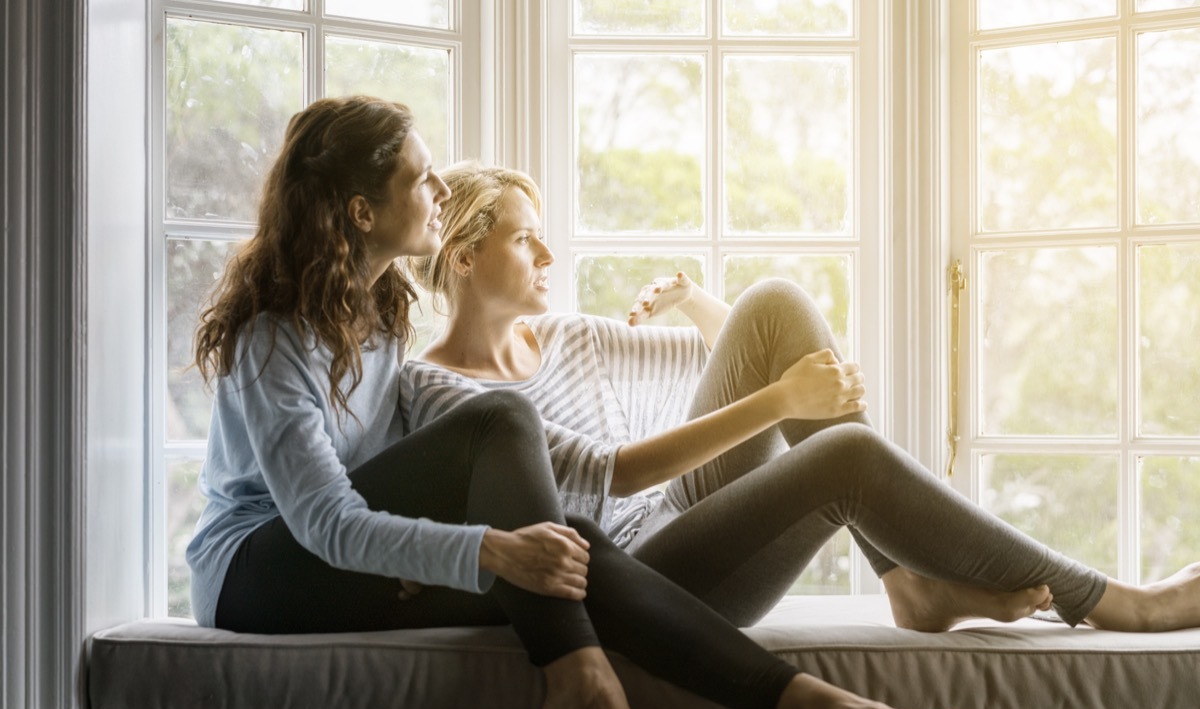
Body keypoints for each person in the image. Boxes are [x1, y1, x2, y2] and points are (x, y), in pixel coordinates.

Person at [185, 96, 973, 709]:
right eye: (421, 179)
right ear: (361, 212)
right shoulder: (272, 339)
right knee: (506, 437)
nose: (439, 192)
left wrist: (508, 539)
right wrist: (489, 549)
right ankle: (584, 691)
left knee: (570, 545)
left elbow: (441, 467)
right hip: (262, 570)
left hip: (355, 556)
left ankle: (804, 708)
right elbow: (326, 524)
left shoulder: (384, 314)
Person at [403, 160, 1200, 636]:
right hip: (632, 581)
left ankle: (906, 584)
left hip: (671, 520)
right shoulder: (436, 389)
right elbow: (616, 474)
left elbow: (735, 356)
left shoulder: (570, 336)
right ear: (465, 258)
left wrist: (695, 301)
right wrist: (786, 400)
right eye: (522, 237)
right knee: (841, 454)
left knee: (775, 302)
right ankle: (1119, 604)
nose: (547, 251)